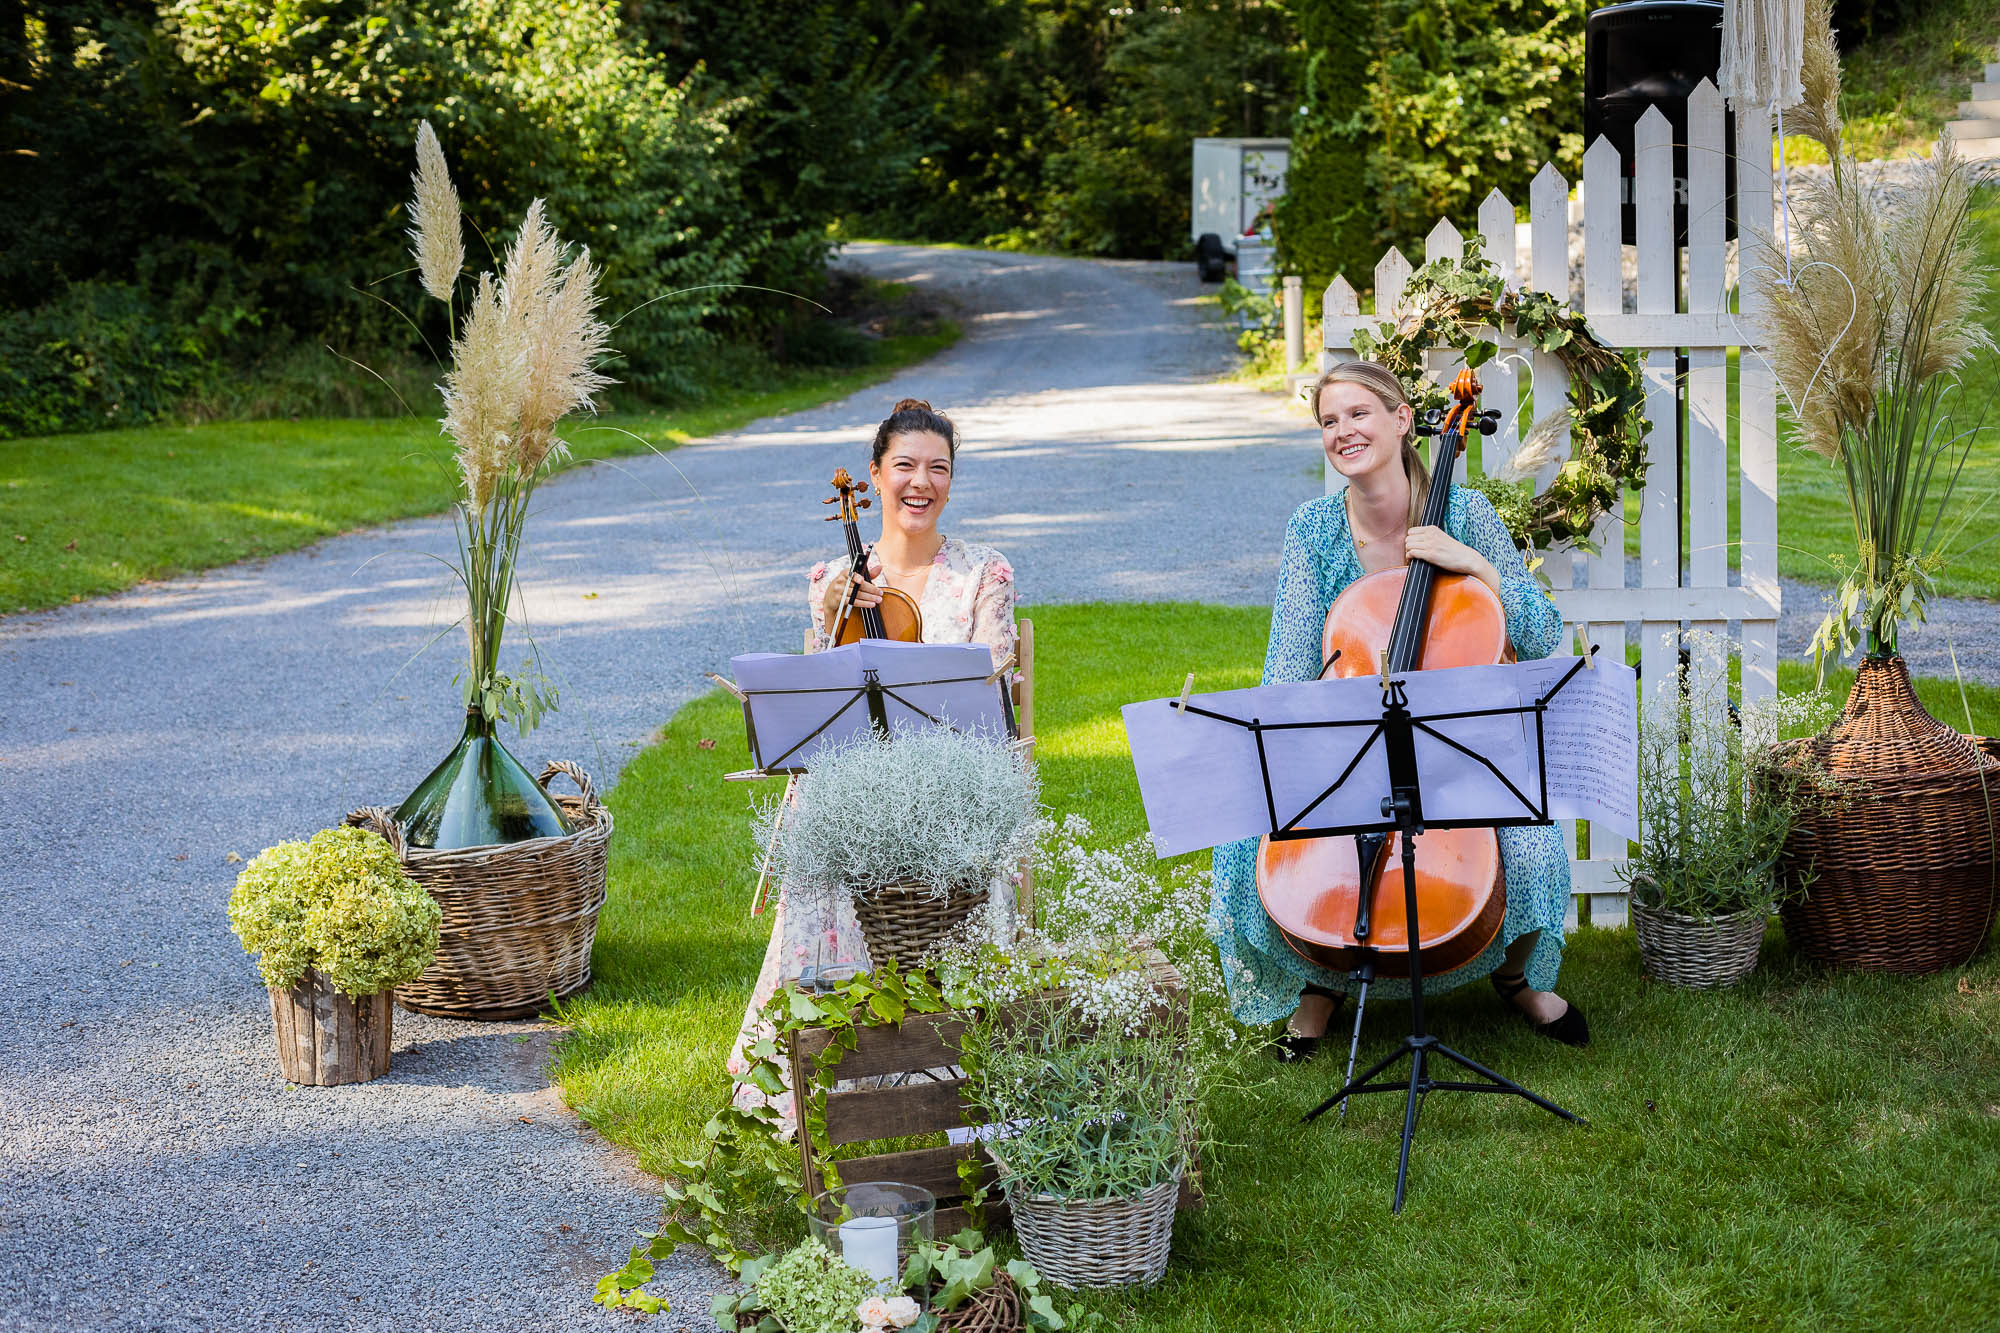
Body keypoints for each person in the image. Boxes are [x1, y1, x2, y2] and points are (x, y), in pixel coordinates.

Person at [1210, 361, 1589, 1059]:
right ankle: (1319, 981)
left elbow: (1538, 635)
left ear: (1402, 419)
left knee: (1533, 851)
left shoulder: (1467, 515)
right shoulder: (1314, 529)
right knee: (1245, 844)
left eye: (1358, 413)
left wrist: (1475, 566)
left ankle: (1515, 978)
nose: (1343, 431)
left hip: (1457, 753)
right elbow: (1288, 666)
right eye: (1329, 421)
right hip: (1352, 748)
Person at [727, 398, 1019, 1129]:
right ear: (875, 474)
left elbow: (993, 692)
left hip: (949, 787)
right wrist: (832, 612)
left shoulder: (984, 572)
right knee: (824, 826)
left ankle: (953, 1064)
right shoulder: (832, 576)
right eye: (905, 466)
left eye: (938, 468)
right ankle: (822, 1066)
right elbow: (814, 703)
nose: (922, 483)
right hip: (855, 785)